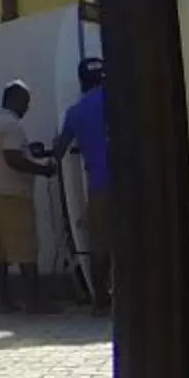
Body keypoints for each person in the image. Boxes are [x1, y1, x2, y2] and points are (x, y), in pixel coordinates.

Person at [0, 81, 53, 311]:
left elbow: (9, 153)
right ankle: (35, 302)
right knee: (25, 249)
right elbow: (12, 158)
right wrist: (43, 169)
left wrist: (30, 152)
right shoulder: (11, 125)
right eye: (26, 103)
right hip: (15, 195)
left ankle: (3, 301)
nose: (27, 108)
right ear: (16, 100)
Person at [52, 59, 112, 312]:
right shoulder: (117, 100)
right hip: (131, 183)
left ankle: (100, 300)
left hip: (99, 185)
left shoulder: (75, 112)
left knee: (99, 246)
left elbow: (59, 149)